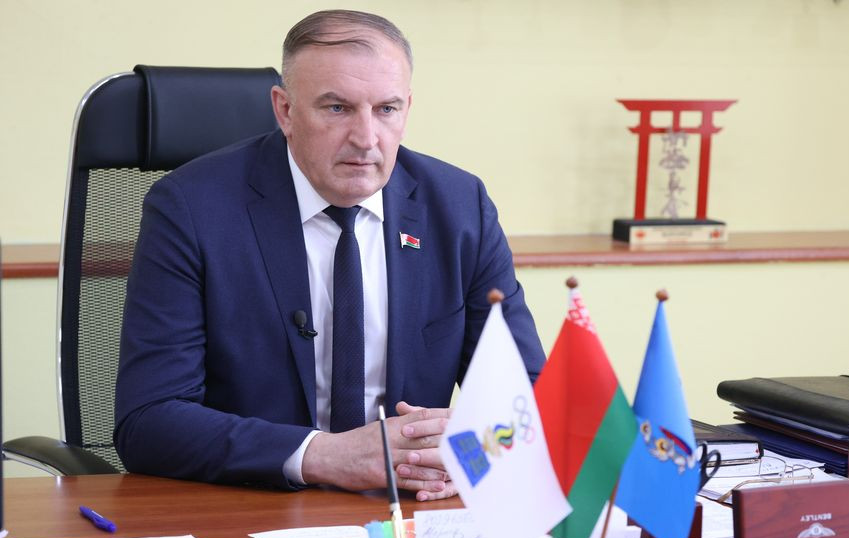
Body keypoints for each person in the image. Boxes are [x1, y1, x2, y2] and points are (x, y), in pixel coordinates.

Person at [114, 9, 545, 501]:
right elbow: (148, 421)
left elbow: (530, 397)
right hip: (252, 505)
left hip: (410, 512)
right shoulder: (191, 209)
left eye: (386, 109)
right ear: (285, 111)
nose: (366, 138)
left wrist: (467, 453)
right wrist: (326, 455)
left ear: (407, 109)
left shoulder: (460, 208)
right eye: (337, 108)